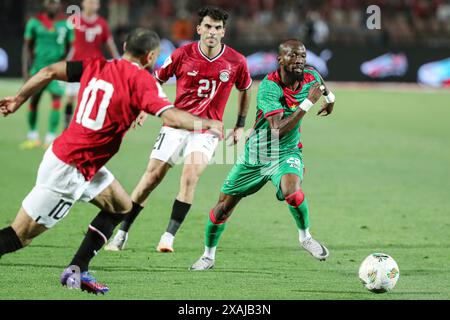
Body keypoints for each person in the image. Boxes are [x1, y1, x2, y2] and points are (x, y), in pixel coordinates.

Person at [0, 28, 222, 294]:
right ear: (151, 56)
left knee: (121, 206)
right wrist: (206, 123)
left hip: (80, 161)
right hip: (69, 170)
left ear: (126, 45)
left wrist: (18, 100)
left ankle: (78, 269)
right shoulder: (142, 80)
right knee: (18, 237)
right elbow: (172, 117)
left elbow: (48, 72)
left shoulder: (96, 64)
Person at [106, 6, 252, 253]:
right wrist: (142, 108)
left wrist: (239, 125)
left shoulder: (236, 61)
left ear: (224, 32)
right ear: (198, 29)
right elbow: (155, 80)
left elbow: (245, 89)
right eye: (207, 26)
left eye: (217, 28)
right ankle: (121, 233)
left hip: (207, 130)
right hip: (175, 124)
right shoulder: (183, 54)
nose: (212, 32)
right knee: (151, 178)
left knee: (190, 176)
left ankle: (168, 237)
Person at [189, 39, 336, 271]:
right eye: (293, 56)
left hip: (286, 152)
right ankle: (208, 256)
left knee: (293, 191)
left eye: (302, 56)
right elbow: (277, 130)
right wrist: (308, 103)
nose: (299, 61)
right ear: (280, 60)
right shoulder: (270, 86)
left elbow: (323, 86)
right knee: (223, 207)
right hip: (256, 155)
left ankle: (305, 237)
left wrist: (330, 101)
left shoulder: (310, 75)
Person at [21, 0, 74, 149]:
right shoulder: (34, 22)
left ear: (60, 5)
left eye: (55, 3)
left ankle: (50, 137)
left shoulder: (65, 23)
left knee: (56, 100)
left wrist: (64, 64)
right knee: (33, 101)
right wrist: (26, 71)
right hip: (38, 69)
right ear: (44, 4)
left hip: (57, 70)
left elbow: (70, 47)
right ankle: (33, 135)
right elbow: (27, 47)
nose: (53, 5)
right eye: (50, 2)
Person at [64, 0, 120, 129]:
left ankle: (87, 127)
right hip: (75, 64)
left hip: (95, 67)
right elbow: (64, 40)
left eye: (95, 3)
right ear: (83, 3)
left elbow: (109, 44)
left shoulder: (102, 23)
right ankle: (66, 126)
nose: (92, 5)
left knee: (92, 98)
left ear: (98, 5)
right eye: (89, 2)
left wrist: (118, 60)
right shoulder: (74, 20)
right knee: (70, 98)